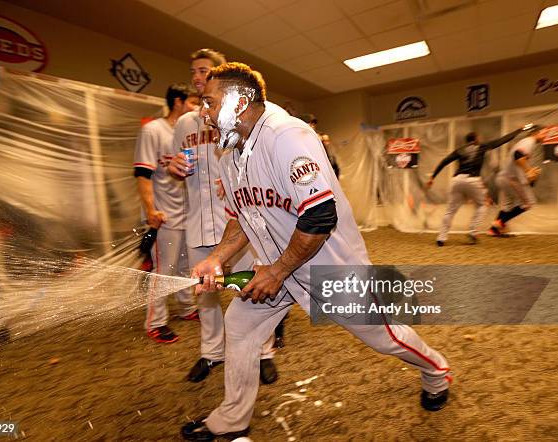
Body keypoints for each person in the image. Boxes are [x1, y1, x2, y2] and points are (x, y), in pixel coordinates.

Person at [181, 63, 452, 441]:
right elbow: (241, 216)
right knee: (241, 326)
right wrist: (217, 257)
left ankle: (437, 371)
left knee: (385, 338)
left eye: (209, 103)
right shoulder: (229, 155)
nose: (203, 112)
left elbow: (320, 215)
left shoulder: (286, 134)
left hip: (332, 268)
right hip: (280, 269)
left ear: (239, 102)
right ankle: (232, 420)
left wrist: (275, 272)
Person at [168, 49, 278, 383]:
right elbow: (177, 164)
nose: (197, 77)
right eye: (193, 71)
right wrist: (174, 168)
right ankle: (211, 353)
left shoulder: (236, 116)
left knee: (251, 287)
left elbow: (257, 158)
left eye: (204, 70)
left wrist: (233, 181)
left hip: (239, 220)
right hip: (199, 219)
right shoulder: (186, 123)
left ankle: (264, 352)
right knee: (207, 293)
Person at [133, 83, 200, 343]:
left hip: (188, 214)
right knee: (164, 270)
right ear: (178, 102)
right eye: (193, 102)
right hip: (165, 215)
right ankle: (156, 322)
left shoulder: (186, 133)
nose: (196, 107)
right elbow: (142, 174)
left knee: (185, 266)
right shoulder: (153, 130)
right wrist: (151, 210)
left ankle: (187, 308)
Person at [426, 128, 524, 246]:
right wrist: (518, 130)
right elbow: (501, 141)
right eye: (479, 138)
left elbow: (444, 161)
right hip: (472, 180)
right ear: (476, 139)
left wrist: (433, 177)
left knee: (450, 211)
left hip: (457, 180)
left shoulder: (459, 150)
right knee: (482, 205)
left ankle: (441, 238)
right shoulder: (481, 146)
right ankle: (472, 232)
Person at [488, 126, 547, 236]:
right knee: (528, 203)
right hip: (511, 179)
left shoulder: (526, 142)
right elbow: (518, 155)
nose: (545, 136)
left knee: (508, 205)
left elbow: (519, 158)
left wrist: (530, 171)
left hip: (505, 178)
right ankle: (499, 222)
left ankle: (493, 230)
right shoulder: (529, 141)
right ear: (536, 133)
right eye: (544, 133)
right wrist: (529, 170)